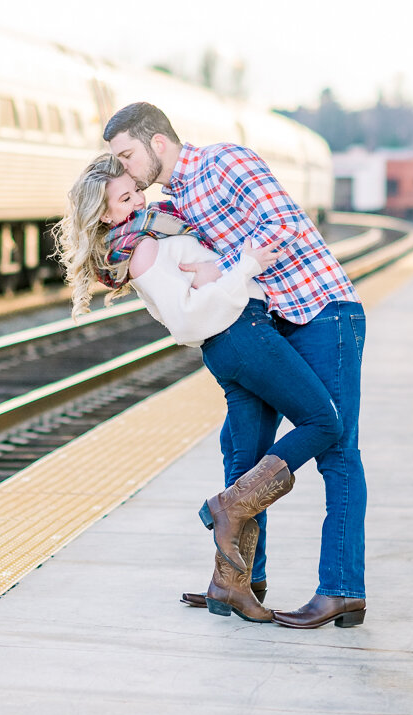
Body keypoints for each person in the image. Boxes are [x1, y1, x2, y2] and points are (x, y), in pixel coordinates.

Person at [104, 102, 368, 630]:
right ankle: (239, 581)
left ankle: (342, 589)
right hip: (270, 320)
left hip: (320, 309)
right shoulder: (173, 199)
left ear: (158, 143)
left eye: (128, 155)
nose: (126, 170)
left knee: (336, 449)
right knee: (241, 448)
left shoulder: (224, 163)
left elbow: (284, 226)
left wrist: (221, 267)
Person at [53, 153, 343, 623]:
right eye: (125, 198)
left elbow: (193, 291)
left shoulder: (144, 236)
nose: (139, 199)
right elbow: (185, 319)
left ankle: (229, 586)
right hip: (241, 335)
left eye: (136, 190)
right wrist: (242, 266)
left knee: (247, 461)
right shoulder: (142, 249)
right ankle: (227, 507)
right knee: (323, 421)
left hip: (230, 341)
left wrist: (217, 270)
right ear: (105, 214)